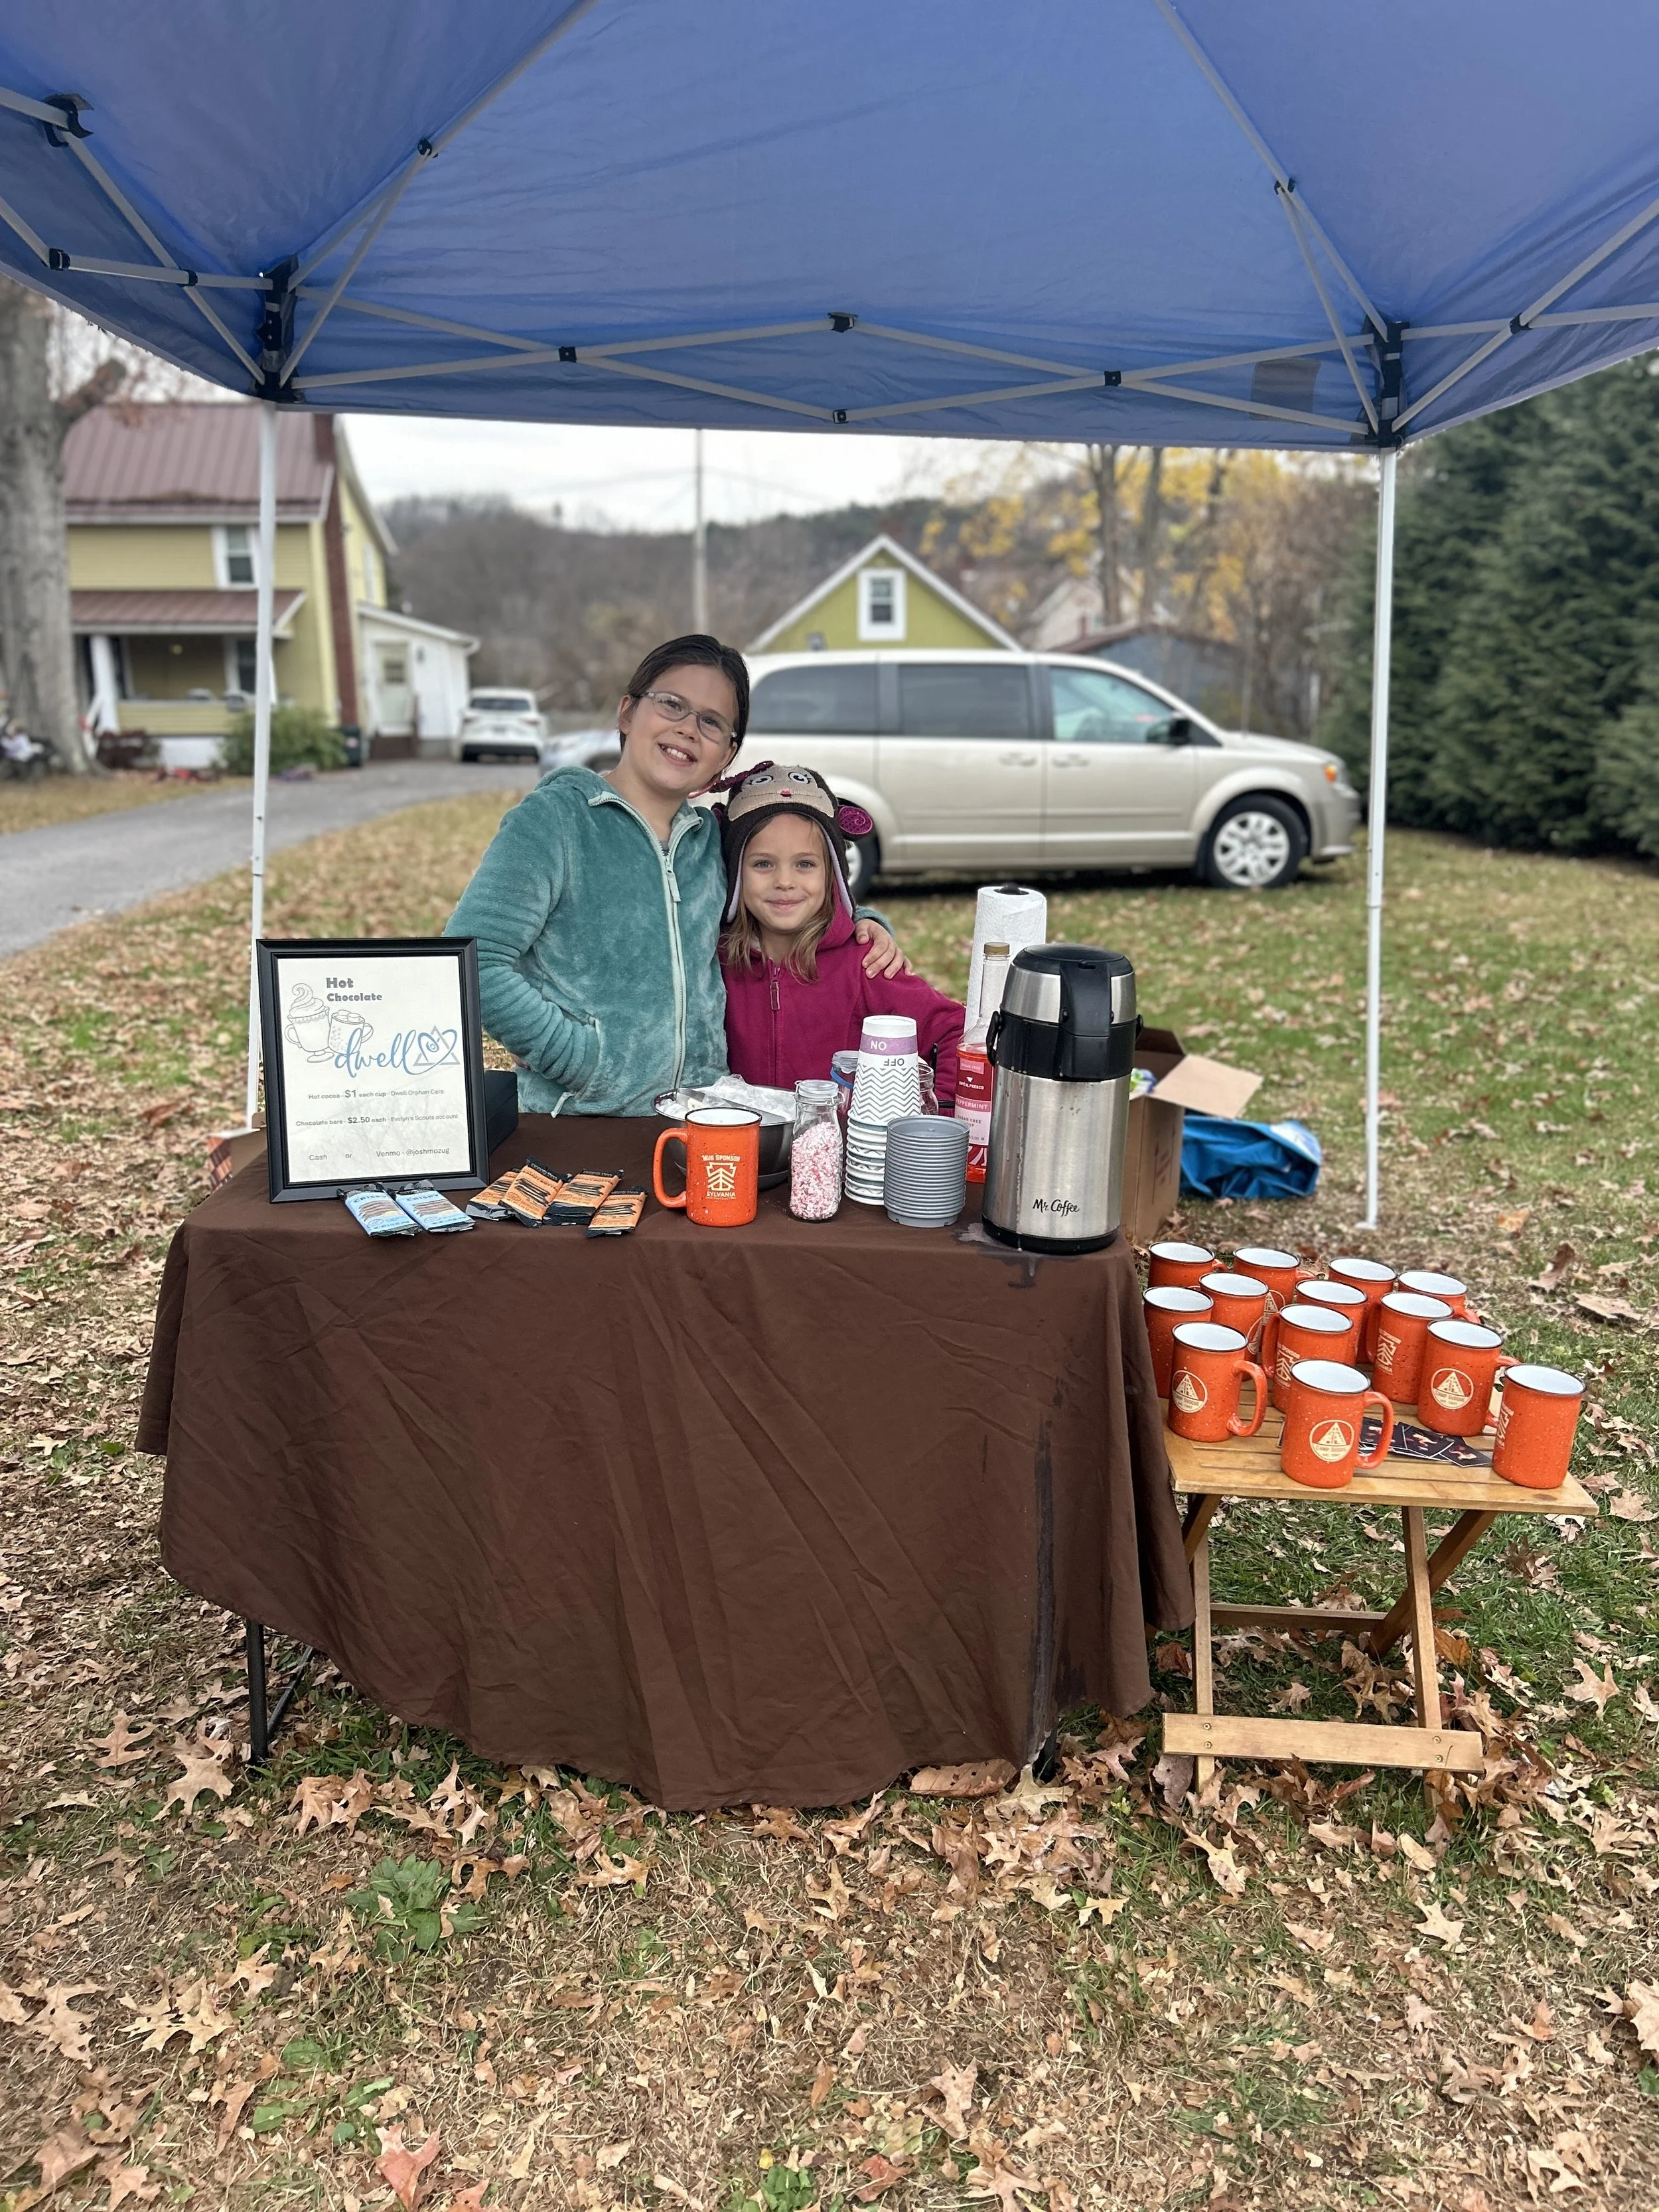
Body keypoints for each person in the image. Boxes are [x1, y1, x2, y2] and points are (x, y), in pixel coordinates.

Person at [444, 636, 905, 1114]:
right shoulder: (555, 822)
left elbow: (778, 899)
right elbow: (472, 959)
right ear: (627, 713)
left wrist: (863, 921)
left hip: (704, 1120)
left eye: (711, 721)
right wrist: (577, 1057)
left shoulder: (714, 841)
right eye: (671, 705)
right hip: (579, 1124)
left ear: (727, 754)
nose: (688, 728)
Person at [719, 763, 963, 1102]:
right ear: (735, 876)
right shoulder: (714, 964)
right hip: (735, 1150)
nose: (785, 881)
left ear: (833, 876)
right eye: (763, 864)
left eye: (805, 864)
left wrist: (943, 1116)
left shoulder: (866, 964)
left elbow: (954, 1030)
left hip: (845, 1152)